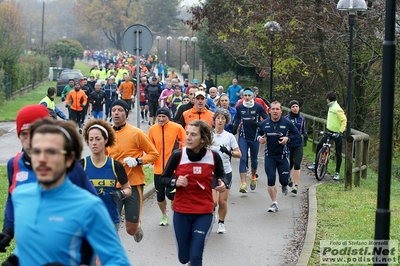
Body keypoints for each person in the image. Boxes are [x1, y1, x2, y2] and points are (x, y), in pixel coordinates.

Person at [10, 119, 130, 265]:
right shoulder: (20, 197)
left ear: (69, 159)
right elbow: (27, 248)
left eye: (51, 152)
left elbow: (117, 261)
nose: (41, 159)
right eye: (36, 151)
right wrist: (16, 260)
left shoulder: (90, 207)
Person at [0, 105, 97, 259]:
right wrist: (8, 230)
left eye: (34, 133)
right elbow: (13, 199)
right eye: (23, 134)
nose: (29, 140)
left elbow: (94, 208)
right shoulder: (15, 164)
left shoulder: (69, 167)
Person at [160, 120, 228, 266]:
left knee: (196, 256)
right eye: (187, 134)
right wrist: (175, 182)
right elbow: (163, 179)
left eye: (193, 135)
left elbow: (221, 175)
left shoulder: (213, 156)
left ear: (202, 139)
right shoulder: (178, 155)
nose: (188, 138)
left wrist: (222, 183)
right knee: (184, 258)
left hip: (204, 211)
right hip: (181, 211)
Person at [106, 100, 159, 243]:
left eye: (120, 110)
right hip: (112, 186)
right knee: (111, 225)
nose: (116, 113)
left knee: (131, 229)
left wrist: (138, 160)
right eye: (114, 110)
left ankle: (137, 227)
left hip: (133, 184)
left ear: (127, 113)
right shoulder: (106, 135)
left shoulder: (137, 133)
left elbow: (154, 154)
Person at [81, 119, 132, 230]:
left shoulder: (115, 166)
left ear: (105, 140)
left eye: (98, 139)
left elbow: (128, 188)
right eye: (91, 139)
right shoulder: (81, 165)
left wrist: (121, 194)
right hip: (87, 219)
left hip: (110, 218)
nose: (94, 143)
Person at [257, 101, 301, 212]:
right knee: (271, 179)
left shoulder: (287, 123)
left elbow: (297, 135)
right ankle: (274, 203)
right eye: (273, 109)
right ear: (270, 110)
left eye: (277, 109)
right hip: (269, 156)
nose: (275, 111)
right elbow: (257, 133)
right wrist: (259, 139)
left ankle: (285, 184)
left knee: (284, 180)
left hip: (283, 156)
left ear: (281, 110)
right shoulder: (264, 123)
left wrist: (288, 139)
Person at [148, 107, 186, 226]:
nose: (160, 119)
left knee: (171, 194)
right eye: (159, 116)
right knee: (160, 196)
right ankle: (164, 215)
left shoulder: (177, 128)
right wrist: (151, 158)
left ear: (168, 117)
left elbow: (184, 144)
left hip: (173, 169)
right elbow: (150, 146)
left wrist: (182, 160)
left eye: (163, 116)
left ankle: (177, 213)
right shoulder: (153, 129)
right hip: (158, 169)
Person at [210, 109, 241, 234]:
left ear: (226, 121)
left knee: (222, 202)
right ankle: (212, 214)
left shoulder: (229, 137)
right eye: (218, 118)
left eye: (223, 119)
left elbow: (239, 154)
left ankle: (221, 223)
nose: (220, 121)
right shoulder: (209, 135)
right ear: (215, 120)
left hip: (225, 172)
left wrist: (229, 152)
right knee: (213, 202)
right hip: (211, 172)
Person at [232, 88, 268, 193]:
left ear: (253, 97)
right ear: (243, 96)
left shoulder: (258, 107)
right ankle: (243, 184)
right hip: (243, 136)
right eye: (245, 95)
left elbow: (266, 119)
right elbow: (237, 119)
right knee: (242, 158)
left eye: (249, 95)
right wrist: (234, 127)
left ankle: (253, 176)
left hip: (255, 137)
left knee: (254, 159)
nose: (247, 97)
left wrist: (258, 124)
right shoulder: (240, 107)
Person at [308, 91, 347, 180]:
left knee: (338, 152)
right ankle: (315, 163)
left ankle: (337, 172)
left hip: (337, 133)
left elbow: (344, 120)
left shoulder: (337, 108)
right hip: (329, 131)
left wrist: (340, 132)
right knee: (319, 145)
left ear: (328, 99)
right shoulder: (331, 106)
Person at [285, 100, 308, 194]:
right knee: (289, 165)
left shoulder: (302, 119)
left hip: (298, 144)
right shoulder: (286, 118)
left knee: (297, 164)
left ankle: (296, 185)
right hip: (289, 144)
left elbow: (303, 129)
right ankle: (289, 177)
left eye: (296, 106)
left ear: (299, 108)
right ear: (290, 108)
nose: (295, 108)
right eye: (293, 107)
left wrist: (305, 133)